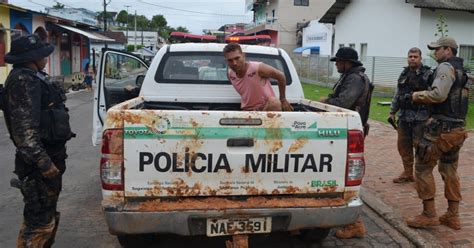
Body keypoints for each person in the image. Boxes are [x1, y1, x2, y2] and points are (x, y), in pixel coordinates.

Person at [2, 34, 74, 247]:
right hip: (39, 167)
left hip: (48, 161)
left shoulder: (33, 77)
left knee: (47, 218)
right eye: (41, 53)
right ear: (30, 58)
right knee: (39, 224)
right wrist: (44, 163)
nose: (45, 57)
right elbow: (25, 131)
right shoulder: (24, 81)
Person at [406, 37, 469, 230]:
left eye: (437, 49)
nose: (435, 53)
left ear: (448, 51)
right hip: (457, 130)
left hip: (440, 130)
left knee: (423, 168)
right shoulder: (462, 71)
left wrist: (416, 96)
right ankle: (453, 215)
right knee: (449, 170)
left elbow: (439, 95)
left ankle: (428, 214)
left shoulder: (445, 67)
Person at [322, 47, 373, 239]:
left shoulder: (355, 79)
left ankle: (355, 224)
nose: (336, 65)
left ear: (347, 62)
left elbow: (343, 102)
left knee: (348, 177)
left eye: (338, 62)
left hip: (350, 132)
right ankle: (353, 222)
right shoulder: (349, 77)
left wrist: (326, 100)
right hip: (346, 130)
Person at [389, 48, 433, 183]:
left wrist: (432, 116)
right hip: (404, 117)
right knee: (403, 146)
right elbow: (398, 94)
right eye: (410, 56)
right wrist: (392, 111)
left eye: (415, 56)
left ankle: (421, 177)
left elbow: (434, 96)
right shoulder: (404, 73)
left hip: (421, 118)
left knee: (420, 148)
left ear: (421, 58)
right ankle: (408, 173)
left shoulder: (428, 74)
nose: (412, 59)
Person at [223, 42, 293, 111]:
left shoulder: (257, 68)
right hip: (248, 110)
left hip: (266, 107)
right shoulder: (230, 74)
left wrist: (283, 99)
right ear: (226, 61)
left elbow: (280, 75)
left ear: (243, 55)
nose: (234, 63)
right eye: (230, 60)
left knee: (274, 102)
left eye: (237, 58)